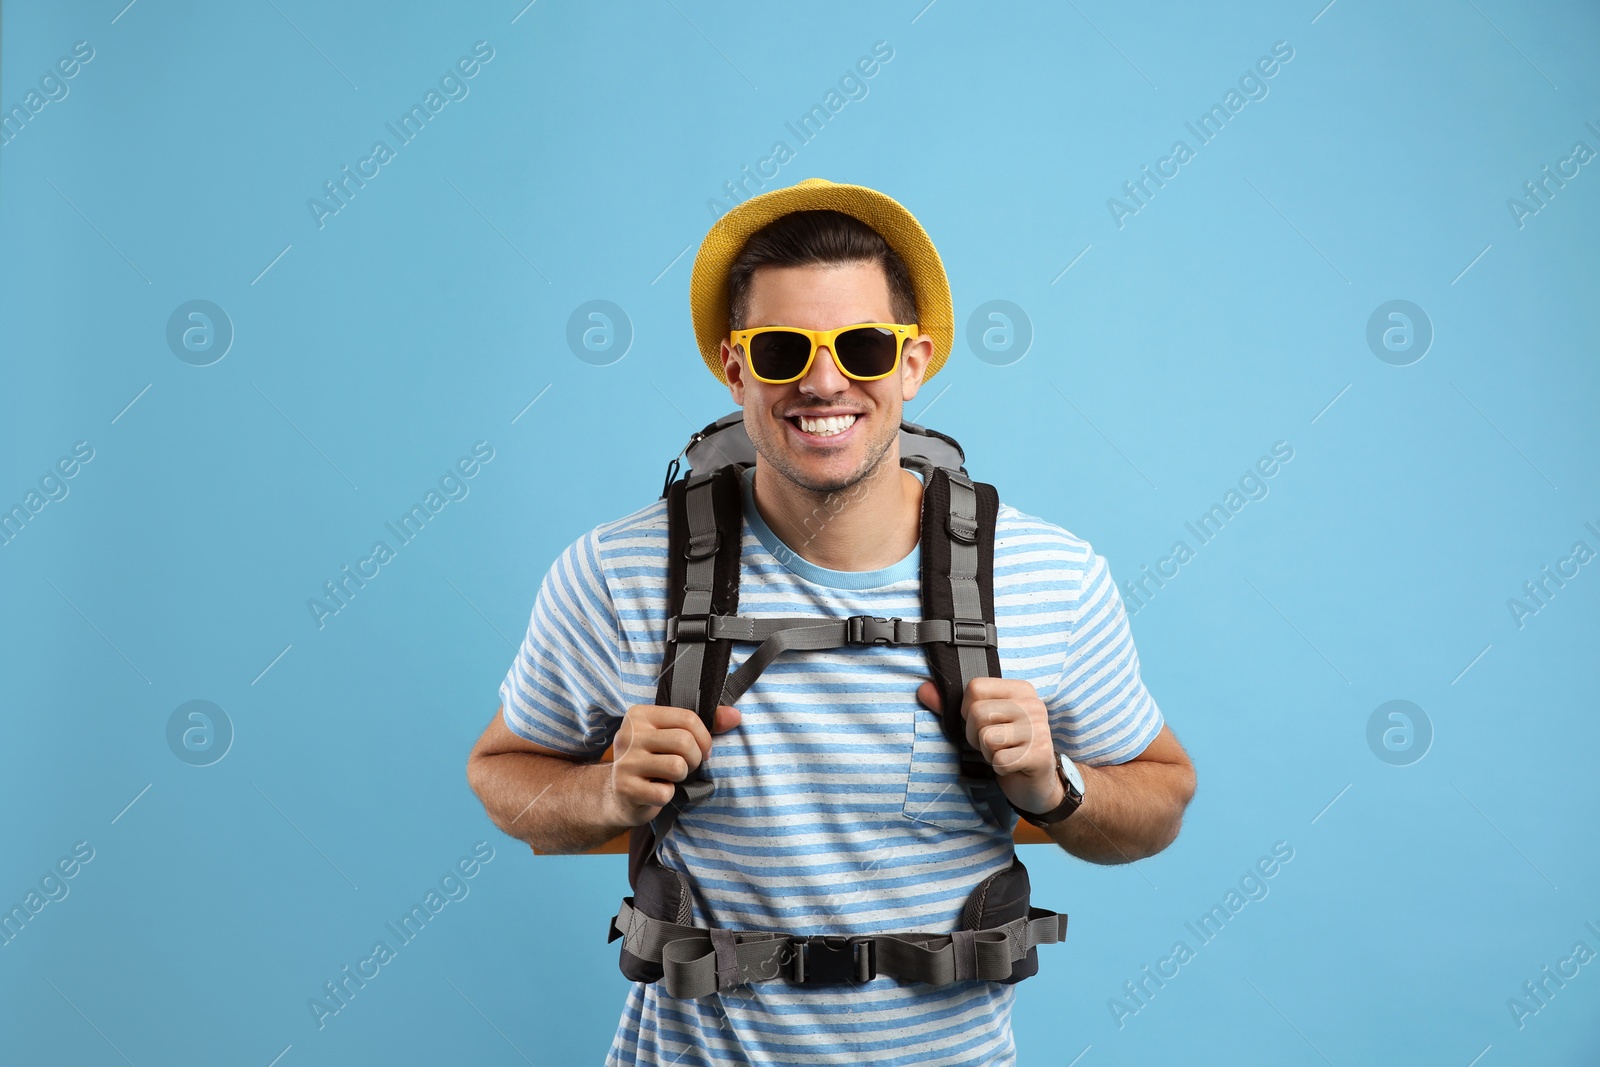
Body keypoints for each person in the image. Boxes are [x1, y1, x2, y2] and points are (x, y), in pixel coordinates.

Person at [466, 178, 1196, 1065]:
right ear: (735, 367)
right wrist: (604, 793)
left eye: (860, 345)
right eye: (781, 349)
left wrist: (1056, 785)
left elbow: (1163, 797)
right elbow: (501, 773)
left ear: (914, 362)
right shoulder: (617, 571)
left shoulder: (1050, 575)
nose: (822, 381)